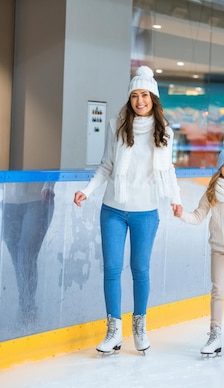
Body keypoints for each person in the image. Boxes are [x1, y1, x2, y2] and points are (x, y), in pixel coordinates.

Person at [74, 66, 182, 354]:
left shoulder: (165, 132)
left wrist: (175, 197)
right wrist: (86, 190)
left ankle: (140, 327)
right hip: (113, 209)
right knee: (111, 269)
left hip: (145, 211)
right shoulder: (116, 125)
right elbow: (107, 166)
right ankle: (113, 331)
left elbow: (168, 169)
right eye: (134, 95)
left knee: (140, 270)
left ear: (153, 98)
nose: (139, 100)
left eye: (144, 94)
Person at [174, 136, 224, 358]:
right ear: (219, 167)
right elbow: (198, 216)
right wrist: (182, 214)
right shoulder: (211, 193)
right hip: (218, 248)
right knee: (217, 291)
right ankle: (215, 335)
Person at [2, 182, 55, 323]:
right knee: (18, 260)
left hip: (37, 200)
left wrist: (49, 185)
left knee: (25, 256)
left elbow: (52, 160)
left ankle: (27, 309)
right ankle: (26, 305)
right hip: (9, 202)